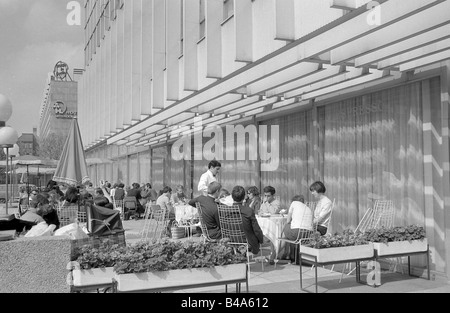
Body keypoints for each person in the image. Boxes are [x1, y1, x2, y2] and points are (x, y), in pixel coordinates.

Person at [230, 186, 264, 255]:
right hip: (247, 242)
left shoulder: (225, 210)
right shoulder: (248, 211)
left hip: (230, 240)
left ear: (232, 197)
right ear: (243, 197)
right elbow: (256, 230)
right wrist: (261, 240)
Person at [282, 195, 314, 263]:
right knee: (293, 231)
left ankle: (286, 254)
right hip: (308, 234)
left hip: (296, 233)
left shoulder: (294, 203)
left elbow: (288, 221)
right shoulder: (307, 207)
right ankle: (294, 256)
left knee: (287, 226)